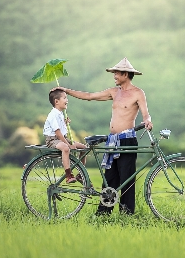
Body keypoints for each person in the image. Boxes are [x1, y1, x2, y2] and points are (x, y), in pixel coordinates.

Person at [53, 57, 153, 215]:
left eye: (116, 73)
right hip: (112, 140)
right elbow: (90, 96)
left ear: (125, 75)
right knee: (110, 177)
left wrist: (147, 121)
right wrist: (66, 91)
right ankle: (103, 212)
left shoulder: (138, 93)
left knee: (127, 177)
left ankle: (126, 213)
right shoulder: (114, 92)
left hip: (127, 140)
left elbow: (146, 114)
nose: (114, 76)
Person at [43, 89, 87, 183]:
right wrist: (68, 144)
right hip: (52, 140)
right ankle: (68, 175)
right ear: (56, 101)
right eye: (65, 98)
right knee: (66, 148)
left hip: (62, 138)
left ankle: (80, 174)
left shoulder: (60, 113)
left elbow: (61, 129)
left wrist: (65, 123)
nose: (67, 100)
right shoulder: (53, 115)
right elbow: (58, 133)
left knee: (84, 148)